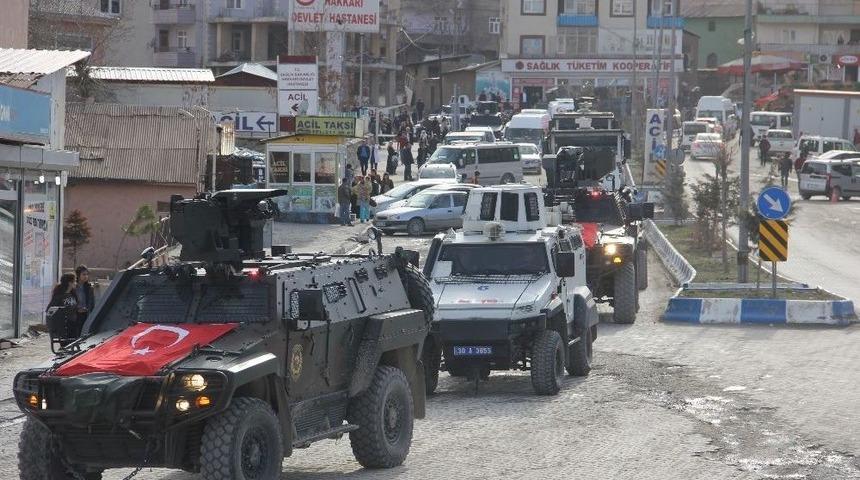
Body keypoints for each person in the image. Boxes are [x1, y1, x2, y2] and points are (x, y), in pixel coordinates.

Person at [47, 273, 78, 344]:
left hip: (73, 323)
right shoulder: (59, 296)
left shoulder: (73, 294)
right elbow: (50, 310)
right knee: (66, 344)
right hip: (64, 325)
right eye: (74, 281)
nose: (75, 283)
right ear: (70, 283)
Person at [74, 265, 95, 329]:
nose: (86, 276)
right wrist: (77, 309)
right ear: (78, 275)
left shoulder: (89, 287)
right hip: (75, 315)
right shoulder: (74, 287)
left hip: (86, 314)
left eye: (87, 274)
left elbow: (92, 302)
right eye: (83, 274)